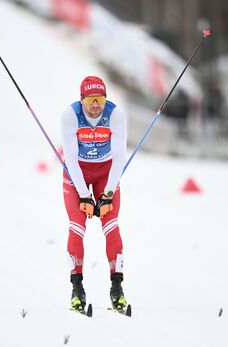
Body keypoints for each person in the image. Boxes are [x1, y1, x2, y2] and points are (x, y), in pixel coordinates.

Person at [61, 76, 128, 312]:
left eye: (100, 99)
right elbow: (70, 158)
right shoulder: (70, 116)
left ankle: (117, 287)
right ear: (81, 100)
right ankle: (77, 289)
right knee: (77, 226)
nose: (96, 105)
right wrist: (84, 196)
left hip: (106, 173)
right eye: (91, 100)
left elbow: (119, 156)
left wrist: (107, 194)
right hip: (76, 173)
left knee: (111, 225)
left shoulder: (116, 115)